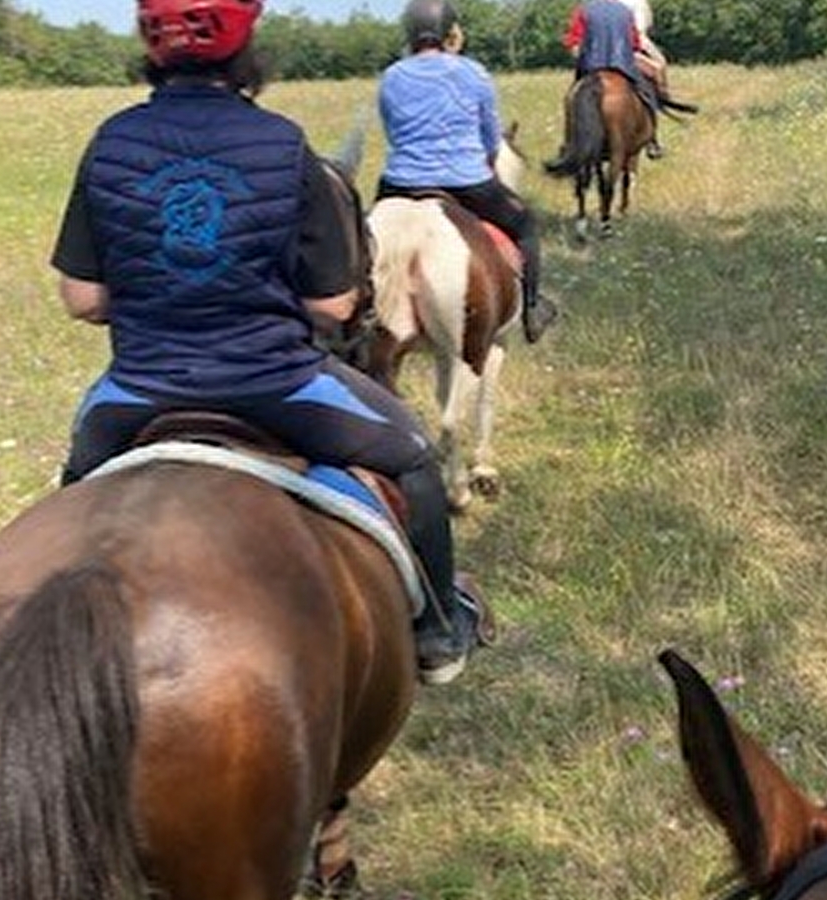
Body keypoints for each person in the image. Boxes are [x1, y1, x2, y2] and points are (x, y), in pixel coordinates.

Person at [50, 0, 488, 685]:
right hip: (278, 386)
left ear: (150, 46)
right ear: (244, 50)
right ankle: (438, 632)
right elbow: (331, 303)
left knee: (72, 493)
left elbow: (82, 298)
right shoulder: (283, 144)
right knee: (411, 461)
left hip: (136, 390)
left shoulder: (111, 141)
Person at [376, 0, 556, 344]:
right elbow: (491, 136)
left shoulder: (392, 75)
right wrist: (486, 160)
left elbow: (392, 131)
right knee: (526, 224)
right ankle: (533, 309)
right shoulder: (473, 72)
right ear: (450, 33)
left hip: (401, 183)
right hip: (465, 182)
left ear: (410, 33)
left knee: (363, 241)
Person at [562, 0, 664, 159]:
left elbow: (573, 42)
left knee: (572, 98)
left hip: (592, 66)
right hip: (622, 64)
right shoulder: (624, 11)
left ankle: (570, 142)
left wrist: (582, 56)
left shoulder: (583, 10)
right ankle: (652, 138)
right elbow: (635, 42)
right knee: (648, 88)